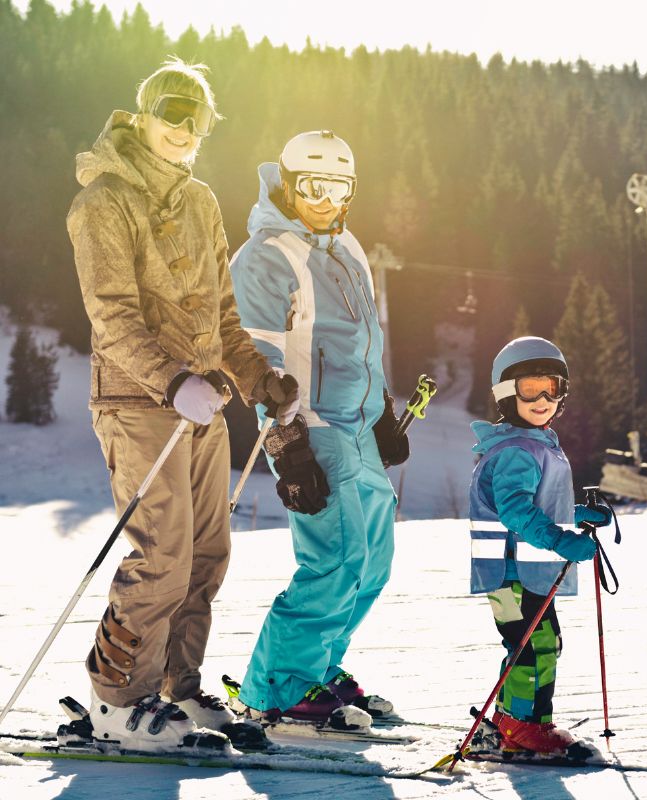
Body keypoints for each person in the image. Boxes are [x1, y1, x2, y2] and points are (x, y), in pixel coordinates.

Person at [66, 58, 299, 752]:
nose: (182, 128)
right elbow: (111, 316)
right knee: (161, 552)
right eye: (170, 112)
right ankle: (117, 701)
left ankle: (175, 689)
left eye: (194, 118)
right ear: (142, 116)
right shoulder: (103, 200)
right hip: (140, 403)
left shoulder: (198, 200)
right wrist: (172, 382)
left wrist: (259, 379)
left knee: (206, 552)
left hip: (202, 402)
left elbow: (224, 317)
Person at [228, 130, 411, 730]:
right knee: (335, 559)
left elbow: (362, 343)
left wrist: (382, 410)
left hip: (359, 425)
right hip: (312, 427)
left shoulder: (349, 246)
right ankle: (278, 687)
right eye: (314, 186)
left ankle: (320, 665)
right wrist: (288, 448)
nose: (326, 199)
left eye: (339, 187)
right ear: (288, 183)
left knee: (374, 562)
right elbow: (260, 364)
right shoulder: (265, 256)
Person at [468, 336, 612, 754]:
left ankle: (515, 721)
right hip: (509, 574)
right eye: (531, 389)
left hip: (524, 573)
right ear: (507, 393)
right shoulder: (516, 450)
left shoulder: (534, 443)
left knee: (535, 642)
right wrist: (561, 540)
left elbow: (540, 504)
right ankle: (521, 728)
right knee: (533, 645)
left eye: (553, 387)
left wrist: (575, 517)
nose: (543, 398)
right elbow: (515, 512)